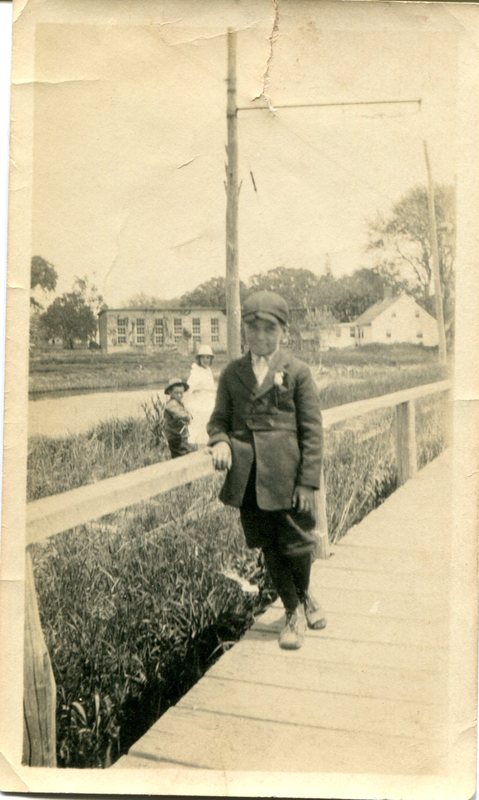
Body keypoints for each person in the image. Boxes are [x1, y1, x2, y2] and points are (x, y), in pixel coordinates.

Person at [207, 290, 326, 650]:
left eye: (269, 329)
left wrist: (307, 483)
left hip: (288, 478)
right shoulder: (232, 374)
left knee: (297, 542)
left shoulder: (297, 372)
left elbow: (312, 431)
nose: (260, 336)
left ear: (283, 331)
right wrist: (221, 441)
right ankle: (293, 610)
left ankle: (304, 596)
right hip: (249, 480)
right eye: (253, 328)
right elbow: (218, 421)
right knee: (269, 547)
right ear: (243, 330)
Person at [185, 344, 216, 446]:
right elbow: (188, 390)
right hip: (200, 408)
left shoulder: (208, 371)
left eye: (208, 357)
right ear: (199, 358)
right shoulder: (196, 372)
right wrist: (189, 407)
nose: (206, 360)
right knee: (200, 434)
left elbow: (211, 389)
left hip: (209, 405)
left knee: (210, 431)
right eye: (203, 357)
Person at [163, 377, 197, 459]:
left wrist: (189, 416)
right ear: (170, 392)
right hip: (176, 438)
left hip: (180, 436)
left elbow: (187, 414)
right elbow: (182, 414)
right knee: (182, 456)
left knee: (182, 455)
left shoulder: (178, 403)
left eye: (181, 393)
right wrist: (188, 417)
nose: (179, 395)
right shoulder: (171, 404)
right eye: (176, 393)